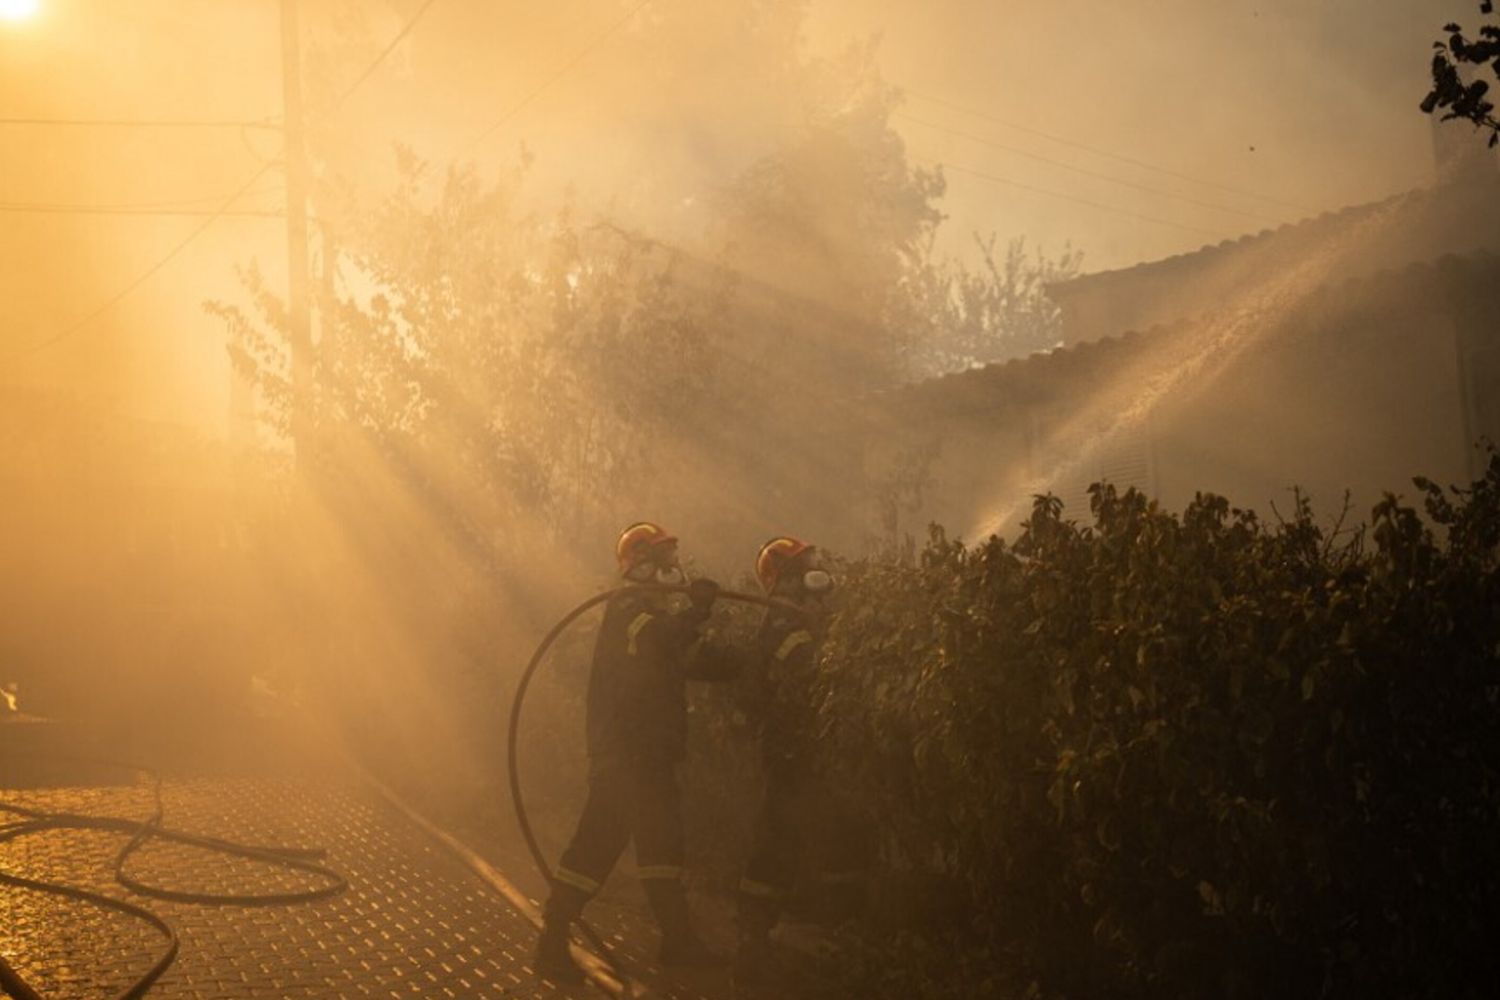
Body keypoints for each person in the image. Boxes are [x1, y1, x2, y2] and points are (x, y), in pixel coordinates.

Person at [536, 521, 739, 983]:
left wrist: (747, 664)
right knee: (595, 849)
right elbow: (661, 639)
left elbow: (686, 659)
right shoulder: (629, 611)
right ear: (641, 566)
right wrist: (697, 611)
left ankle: (679, 942)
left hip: (650, 759)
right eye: (663, 561)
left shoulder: (653, 618)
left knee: (662, 849)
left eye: (672, 561)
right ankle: (550, 943)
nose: (672, 569)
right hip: (624, 759)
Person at [735, 536, 866, 983]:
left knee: (839, 832)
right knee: (778, 842)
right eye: (802, 569)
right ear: (786, 581)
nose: (814, 575)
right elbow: (813, 667)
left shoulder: (806, 620)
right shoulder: (781, 626)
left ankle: (841, 934)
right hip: (790, 752)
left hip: (813, 749)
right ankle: (752, 942)